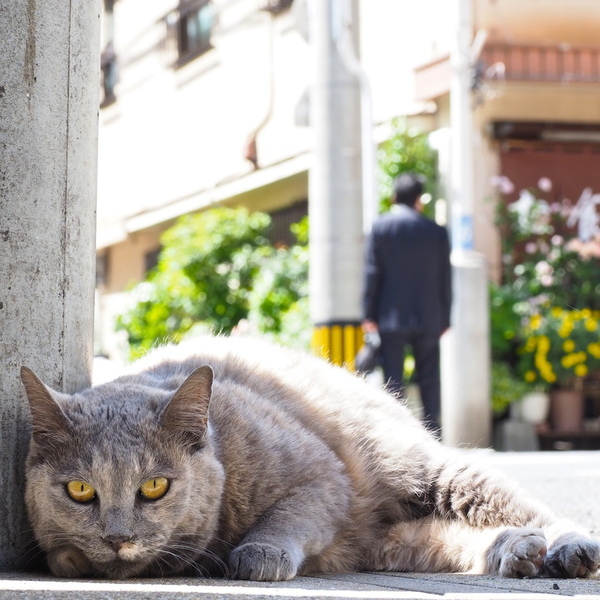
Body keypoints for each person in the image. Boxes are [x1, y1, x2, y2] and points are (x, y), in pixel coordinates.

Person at [362, 173, 451, 435]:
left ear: (394, 198)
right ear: (419, 201)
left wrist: (368, 313)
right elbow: (445, 278)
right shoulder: (436, 232)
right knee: (429, 377)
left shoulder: (381, 228)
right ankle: (434, 432)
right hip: (429, 316)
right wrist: (445, 318)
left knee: (393, 379)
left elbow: (372, 272)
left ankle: (397, 434)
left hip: (390, 316)